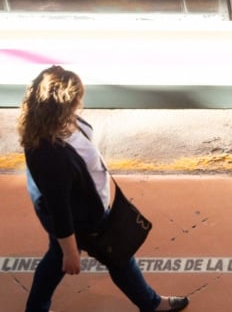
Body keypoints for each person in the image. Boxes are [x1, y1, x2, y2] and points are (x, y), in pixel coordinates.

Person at [19, 65, 189, 312]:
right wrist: (71, 253)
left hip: (84, 208)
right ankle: (151, 304)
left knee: (58, 258)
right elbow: (60, 210)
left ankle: (35, 308)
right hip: (84, 219)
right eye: (76, 100)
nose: (80, 104)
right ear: (61, 106)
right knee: (119, 257)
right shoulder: (50, 155)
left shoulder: (54, 125)